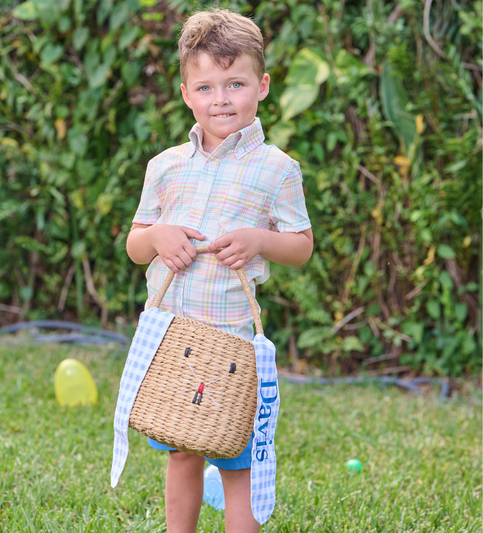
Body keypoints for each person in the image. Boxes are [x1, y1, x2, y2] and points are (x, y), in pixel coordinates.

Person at [126, 8, 313, 533]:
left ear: (263, 85)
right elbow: (135, 246)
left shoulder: (277, 169)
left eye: (236, 83)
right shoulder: (165, 167)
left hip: (230, 341)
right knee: (180, 450)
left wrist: (260, 241)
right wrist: (157, 237)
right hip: (171, 337)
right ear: (186, 92)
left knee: (236, 457)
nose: (222, 99)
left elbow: (300, 246)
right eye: (206, 87)